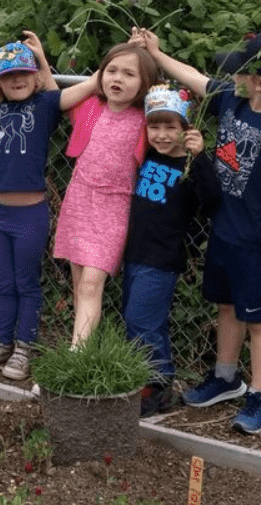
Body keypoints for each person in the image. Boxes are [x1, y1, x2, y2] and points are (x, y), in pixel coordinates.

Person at [135, 28, 261, 435]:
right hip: (224, 232)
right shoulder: (232, 100)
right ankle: (226, 378)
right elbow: (194, 77)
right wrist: (158, 54)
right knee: (225, 307)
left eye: (241, 74)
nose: (232, 79)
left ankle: (259, 394)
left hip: (258, 241)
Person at [0, 32, 98, 381]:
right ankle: (1, 342)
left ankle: (25, 346)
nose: (17, 80)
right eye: (8, 76)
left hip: (29, 215)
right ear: (0, 82)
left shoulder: (43, 106)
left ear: (36, 76)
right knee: (2, 282)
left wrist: (41, 57)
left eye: (23, 73)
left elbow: (74, 92)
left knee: (26, 282)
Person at [121, 83, 221, 417]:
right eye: (155, 126)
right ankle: (147, 380)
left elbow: (213, 201)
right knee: (140, 321)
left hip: (161, 260)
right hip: (135, 255)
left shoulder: (190, 170)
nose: (162, 135)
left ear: (186, 128)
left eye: (171, 127)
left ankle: (159, 385)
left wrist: (200, 155)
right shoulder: (147, 155)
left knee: (142, 320)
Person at [52, 41, 159, 346]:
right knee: (79, 285)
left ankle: (76, 359)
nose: (117, 78)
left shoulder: (147, 119)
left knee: (91, 283)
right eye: (111, 70)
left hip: (115, 206)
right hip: (80, 199)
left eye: (129, 74)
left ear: (144, 83)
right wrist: (92, 78)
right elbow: (53, 98)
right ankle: (82, 348)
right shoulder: (90, 107)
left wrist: (154, 51)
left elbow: (179, 113)